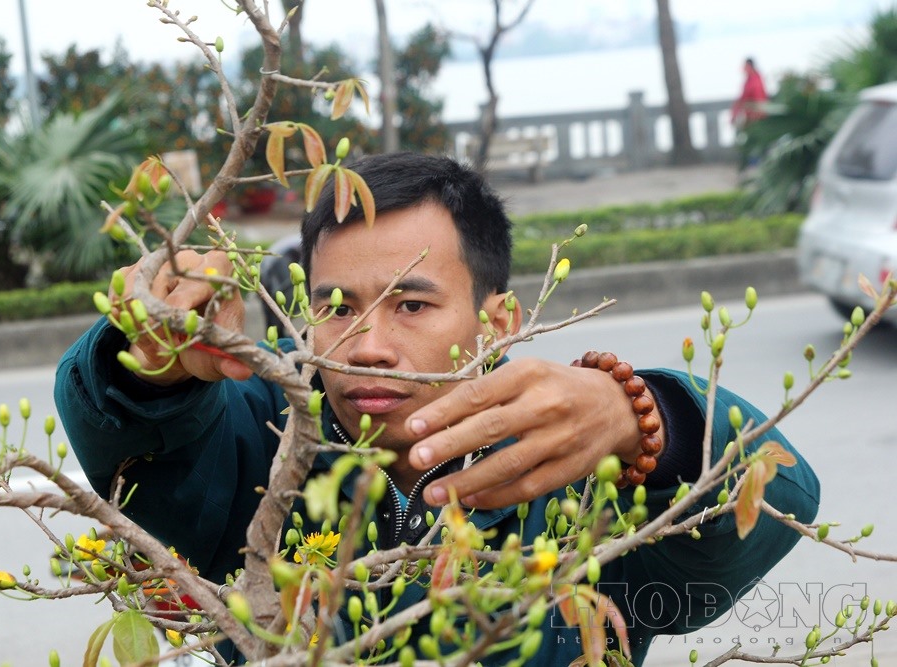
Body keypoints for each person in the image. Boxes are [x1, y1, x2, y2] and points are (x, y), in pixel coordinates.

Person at [55, 152, 818, 665]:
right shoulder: (255, 437)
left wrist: (647, 420)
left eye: (412, 303)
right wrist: (155, 359)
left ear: (498, 321)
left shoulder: (579, 462)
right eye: (336, 306)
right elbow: (137, 437)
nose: (369, 343)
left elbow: (778, 496)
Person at [731, 57, 769, 128]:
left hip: (756, 114)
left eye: (745, 67)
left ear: (749, 67)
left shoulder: (756, 80)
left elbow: (759, 99)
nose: (744, 69)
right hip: (749, 113)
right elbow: (742, 98)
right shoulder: (748, 80)